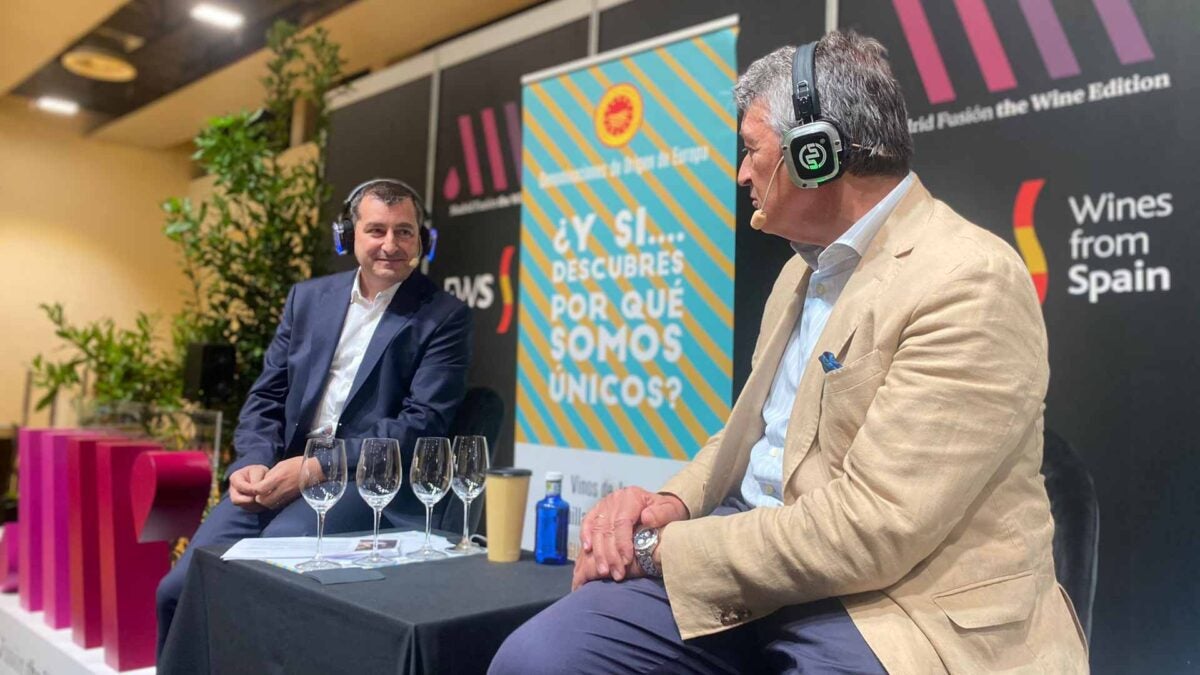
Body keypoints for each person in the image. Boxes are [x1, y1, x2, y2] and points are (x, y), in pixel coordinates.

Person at [491, 32, 1088, 673]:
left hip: (893, 602)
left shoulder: (969, 278)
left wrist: (656, 547)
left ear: (816, 153)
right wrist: (672, 504)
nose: (741, 173)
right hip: (760, 568)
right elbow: (749, 435)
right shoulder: (798, 275)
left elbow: (872, 530)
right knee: (540, 657)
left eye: (750, 149)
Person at [157, 178, 472, 657]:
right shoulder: (307, 299)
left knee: (259, 581)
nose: (391, 245)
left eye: (405, 232)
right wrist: (252, 460)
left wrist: (314, 468)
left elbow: (420, 423)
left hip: (364, 484)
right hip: (276, 473)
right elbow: (267, 394)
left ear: (424, 240)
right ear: (348, 235)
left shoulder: (444, 316)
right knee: (178, 589)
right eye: (376, 230)